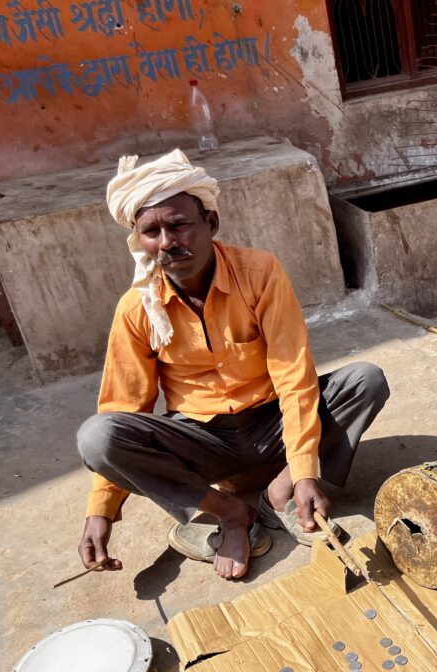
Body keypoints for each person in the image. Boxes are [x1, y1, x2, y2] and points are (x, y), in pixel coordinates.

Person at [76, 149, 389, 580]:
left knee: (365, 381)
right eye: (152, 231)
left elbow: (292, 373)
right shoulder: (137, 309)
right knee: (97, 437)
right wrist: (102, 510)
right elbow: (124, 407)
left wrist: (303, 475)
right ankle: (229, 512)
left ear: (211, 223)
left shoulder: (259, 272)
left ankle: (278, 492)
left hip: (270, 422)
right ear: (141, 241)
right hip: (202, 441)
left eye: (179, 224)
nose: (168, 241)